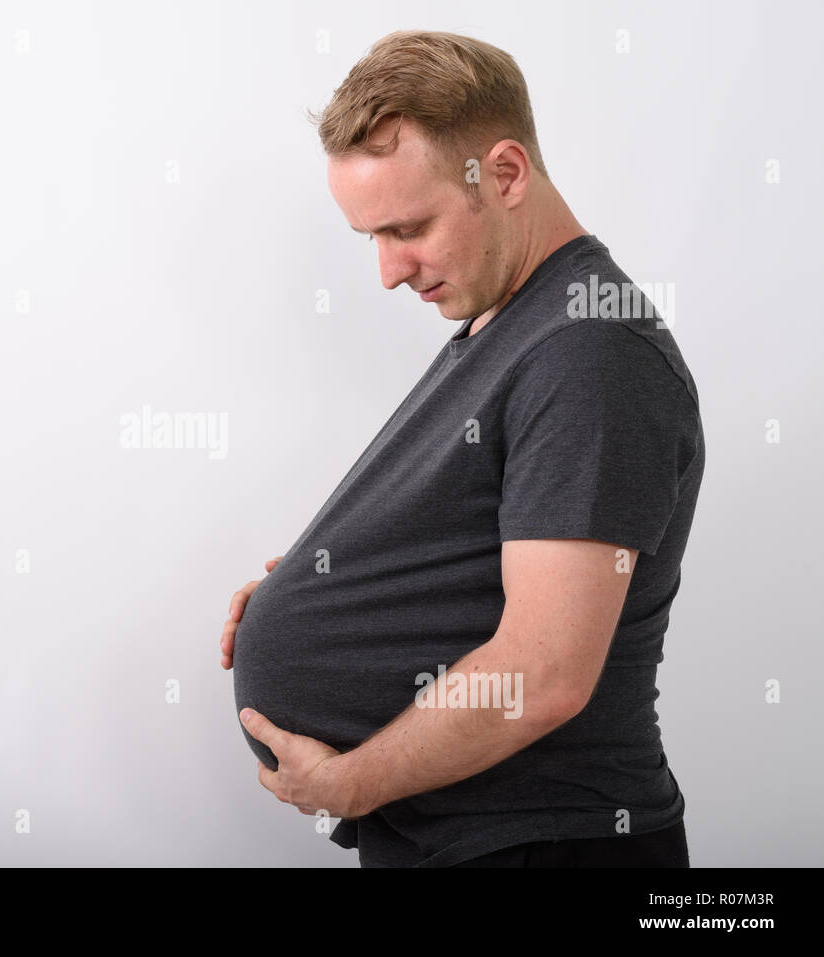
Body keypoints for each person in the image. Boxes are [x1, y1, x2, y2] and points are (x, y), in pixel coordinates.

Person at [220, 30, 703, 868]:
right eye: (369, 236)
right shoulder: (510, 320)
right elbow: (478, 547)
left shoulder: (592, 350)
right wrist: (332, 585)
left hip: (543, 843)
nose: (388, 270)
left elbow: (545, 669)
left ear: (505, 174)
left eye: (408, 227)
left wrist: (351, 784)